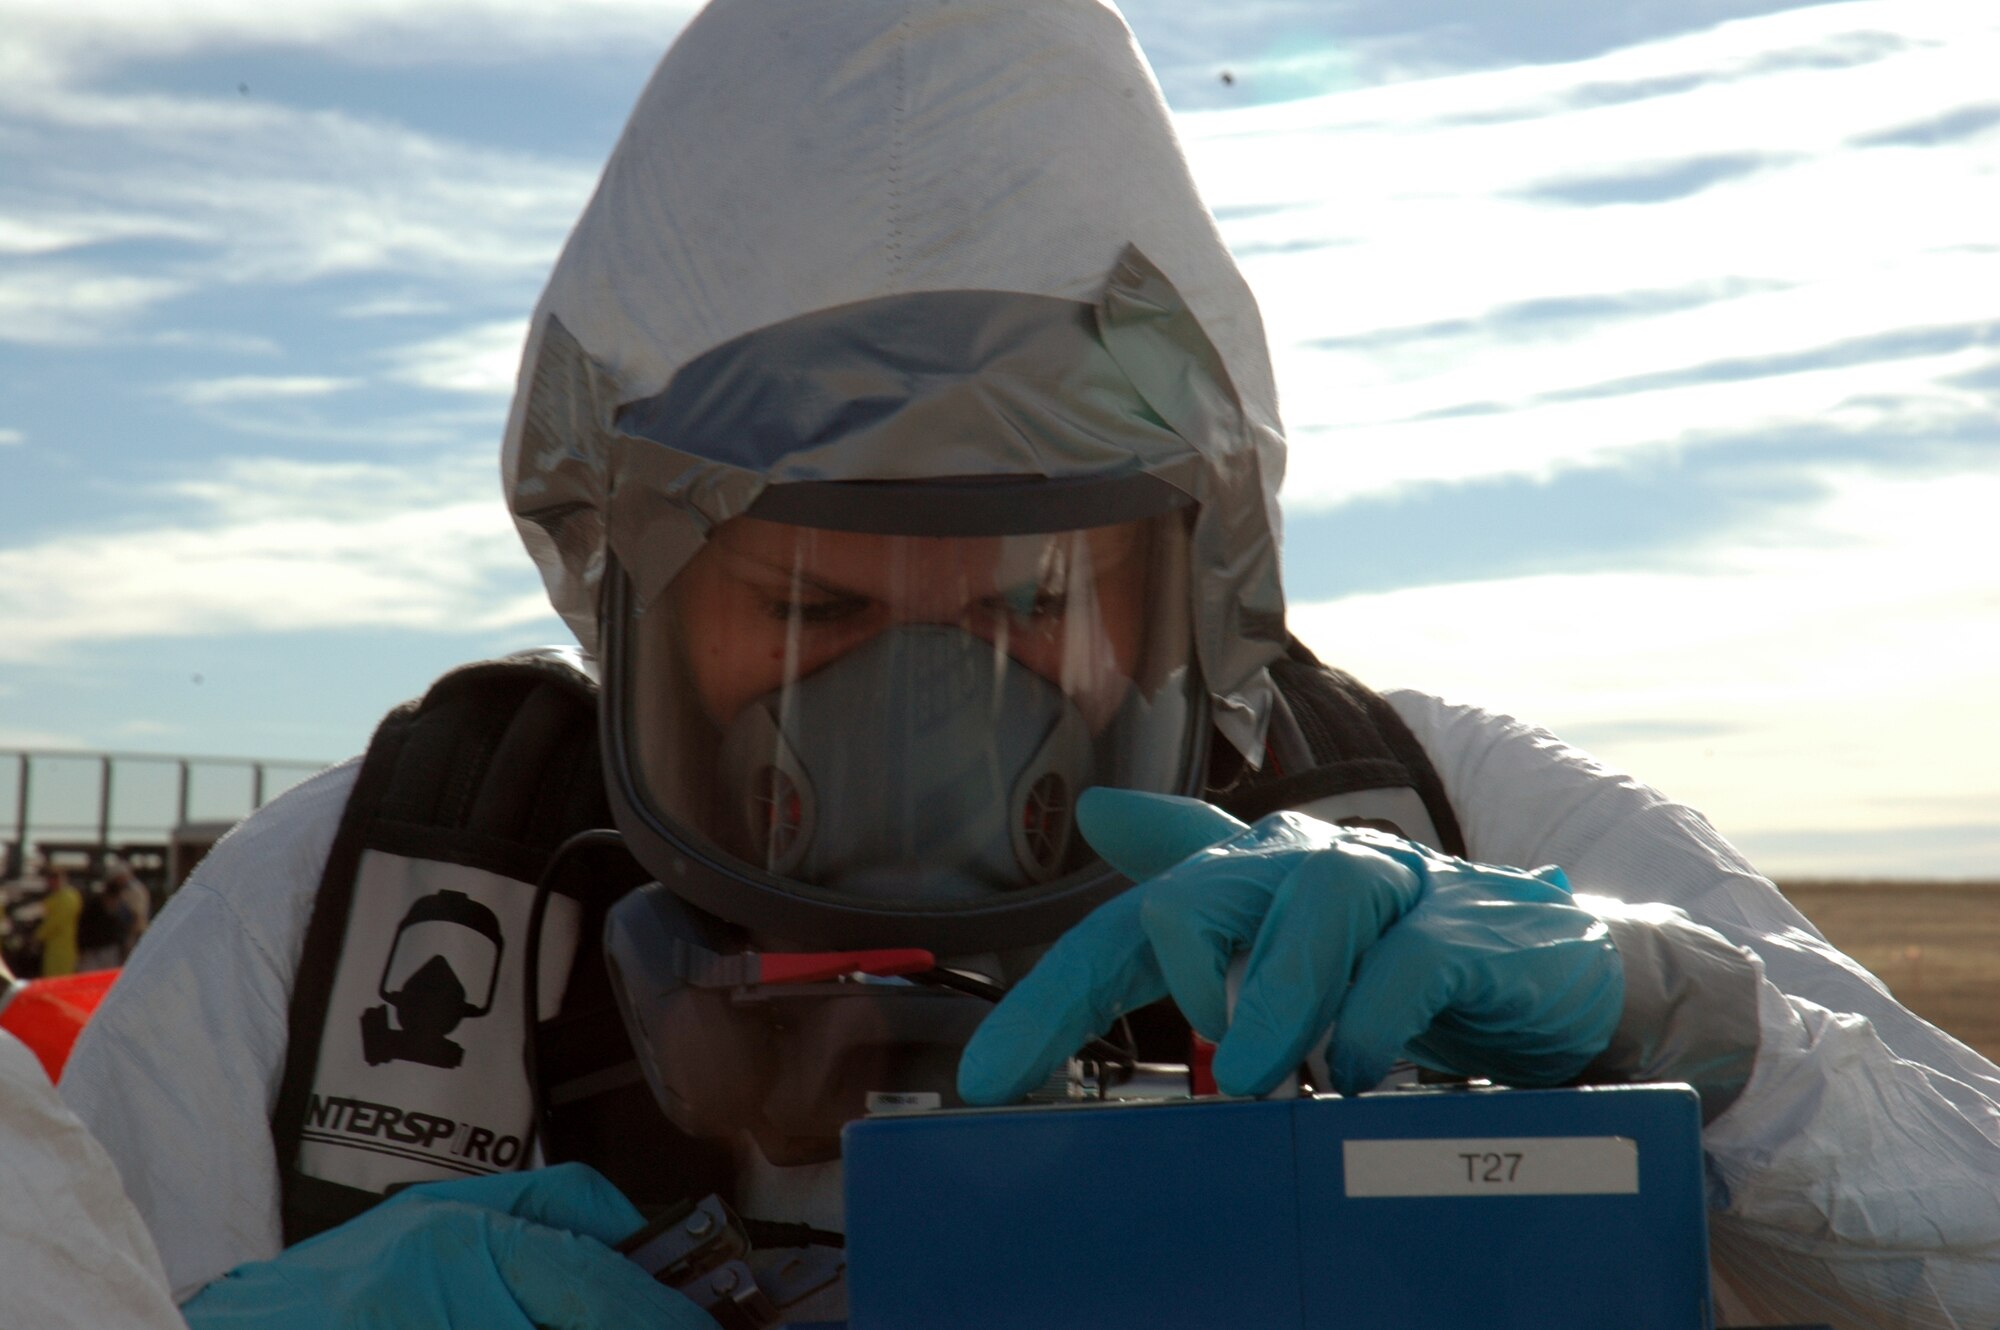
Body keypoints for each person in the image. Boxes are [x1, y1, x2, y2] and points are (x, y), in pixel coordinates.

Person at [58, 1, 2000, 1327]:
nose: (923, 703)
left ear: (1196, 587)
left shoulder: (1459, 832)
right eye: (812, 604)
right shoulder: (372, 919)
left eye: (1023, 595)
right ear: (612, 577)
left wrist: (1711, 1061)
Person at [34, 867, 81, 979]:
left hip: (63, 947)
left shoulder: (68, 898)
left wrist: (38, 935)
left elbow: (55, 922)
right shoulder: (53, 897)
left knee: (60, 979)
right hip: (52, 947)